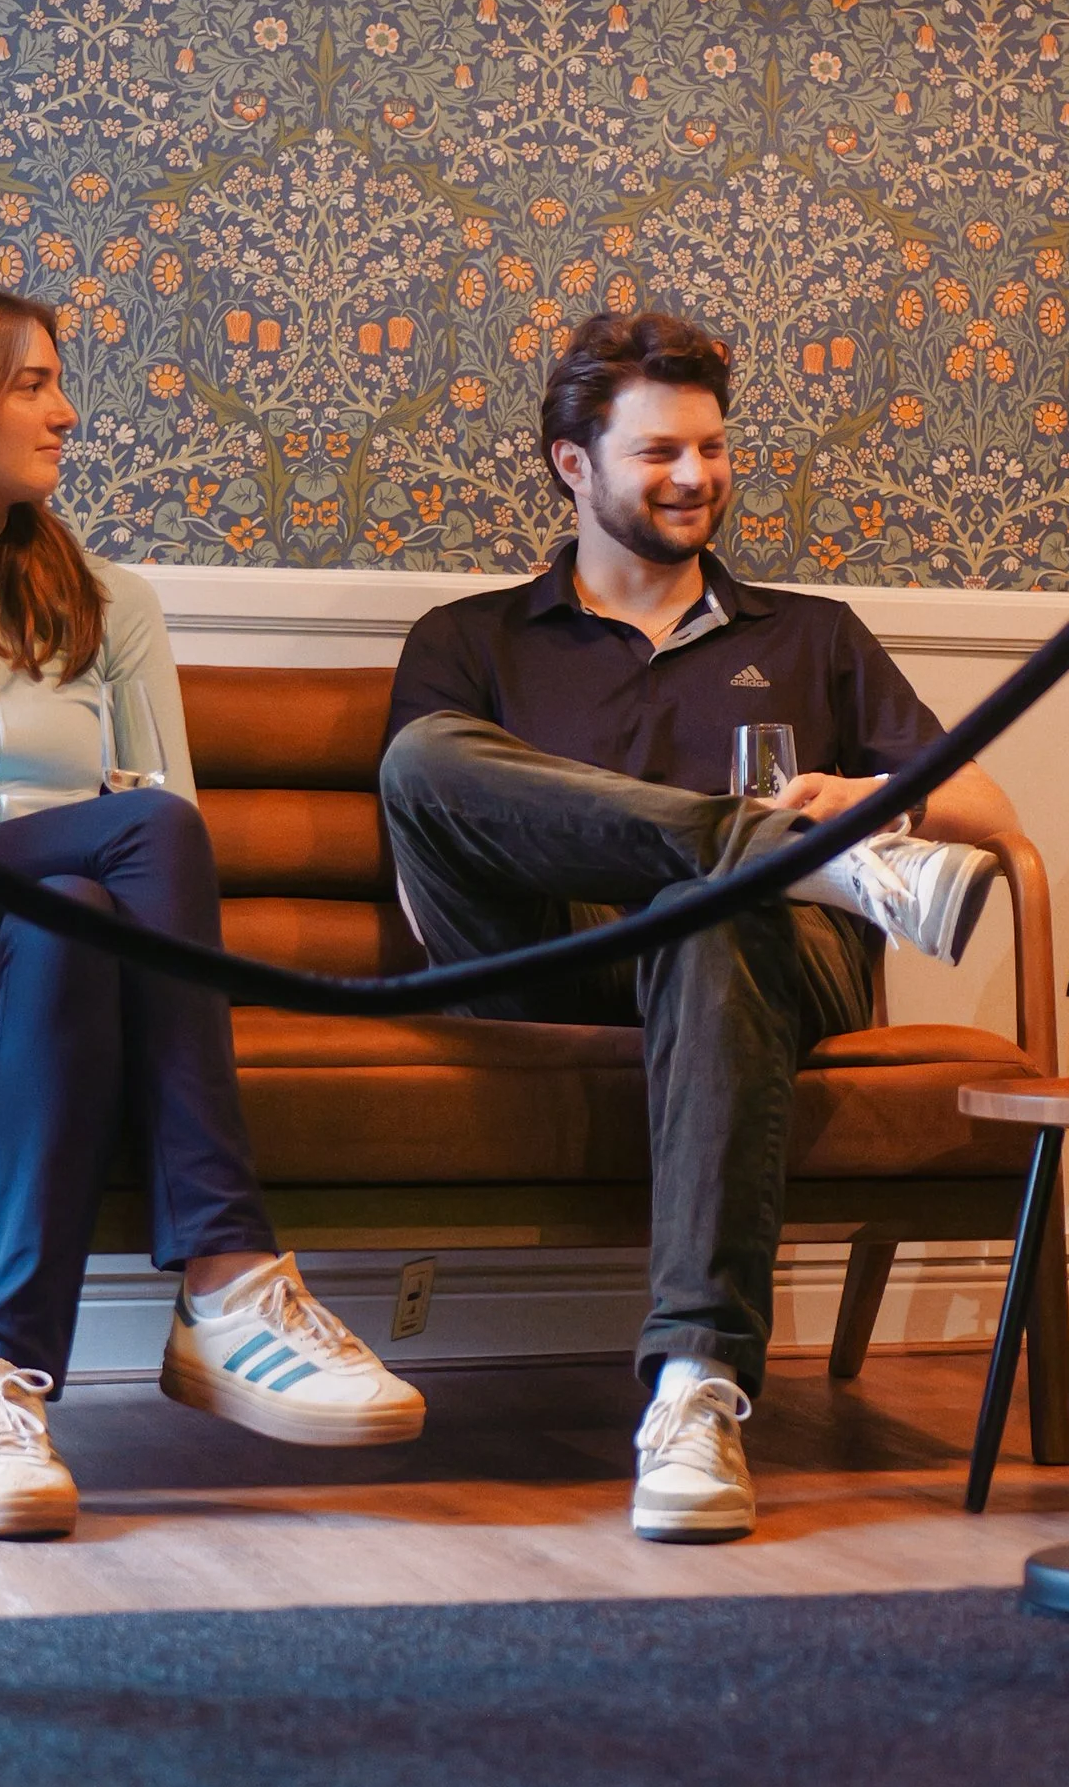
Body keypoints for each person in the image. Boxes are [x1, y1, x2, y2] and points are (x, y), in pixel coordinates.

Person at [0, 281, 423, 1541]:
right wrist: (2, 841)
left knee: (68, 906)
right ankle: (224, 1267)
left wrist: (49, 857)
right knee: (111, 848)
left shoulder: (110, 603)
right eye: (31, 382)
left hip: (53, 948)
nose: (66, 410)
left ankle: (3, 1383)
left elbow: (173, 807)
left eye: (60, 380)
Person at [380, 309, 1019, 1545]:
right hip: (540, 958)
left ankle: (696, 1388)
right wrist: (768, 841)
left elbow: (987, 806)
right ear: (574, 464)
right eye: (660, 451)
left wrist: (874, 800)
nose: (697, 476)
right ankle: (761, 854)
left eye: (713, 448)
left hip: (758, 965)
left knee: (709, 917)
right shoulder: (469, 639)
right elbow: (430, 833)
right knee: (423, 758)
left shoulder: (808, 631)